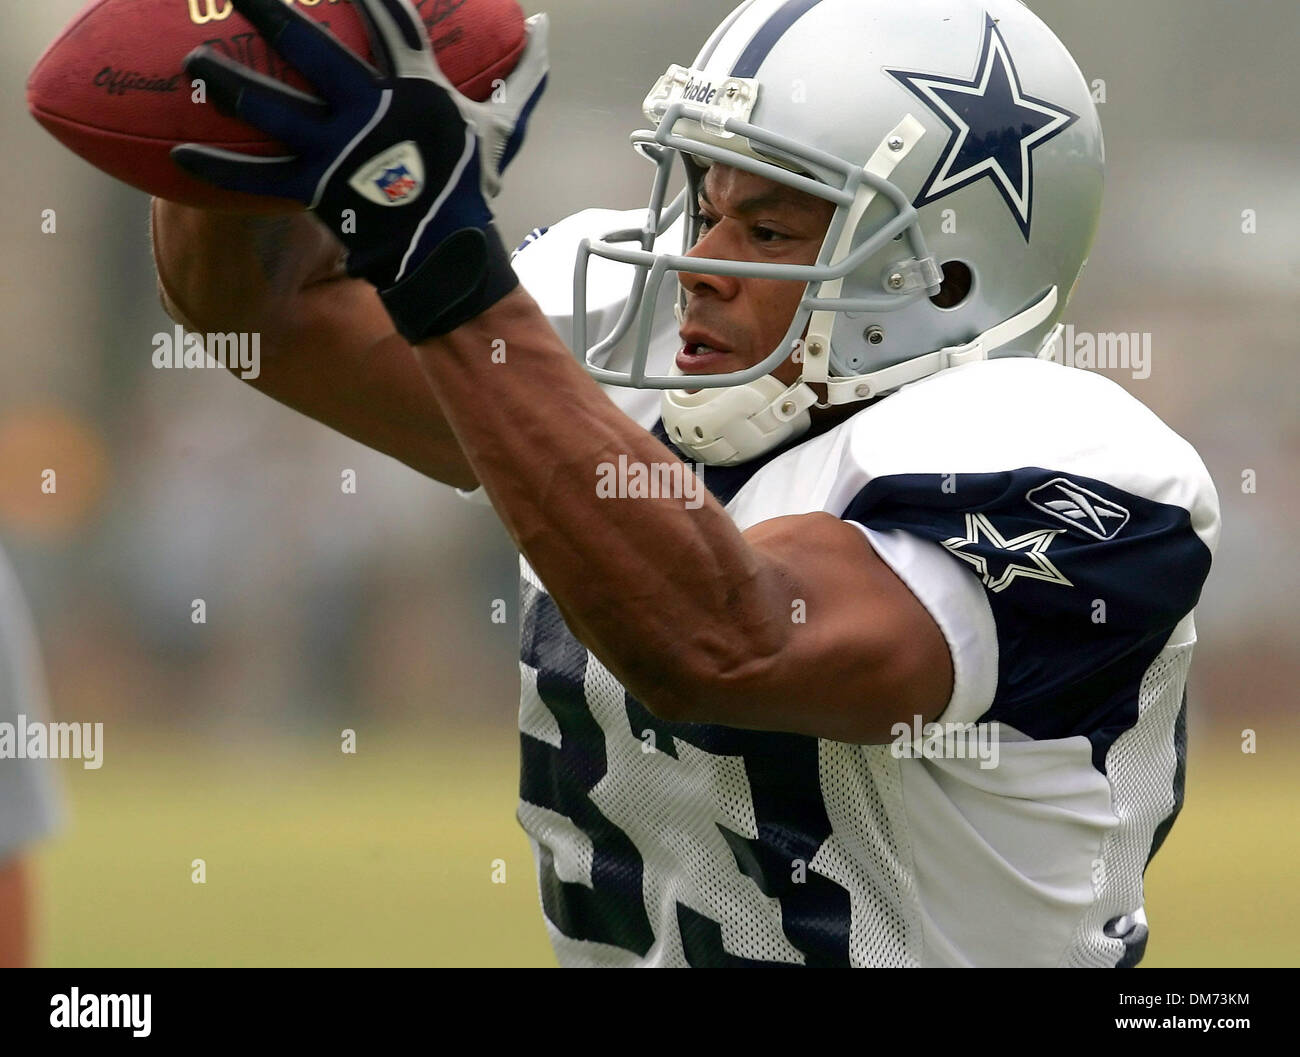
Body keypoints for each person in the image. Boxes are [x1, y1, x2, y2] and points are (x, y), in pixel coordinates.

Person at [153, 0, 1219, 966]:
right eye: (703, 198)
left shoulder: (1063, 463)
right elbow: (268, 316)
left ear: (939, 277)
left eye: (767, 228)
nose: (701, 260)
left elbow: (729, 644)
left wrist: (448, 266)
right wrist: (238, 128)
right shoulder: (635, 333)